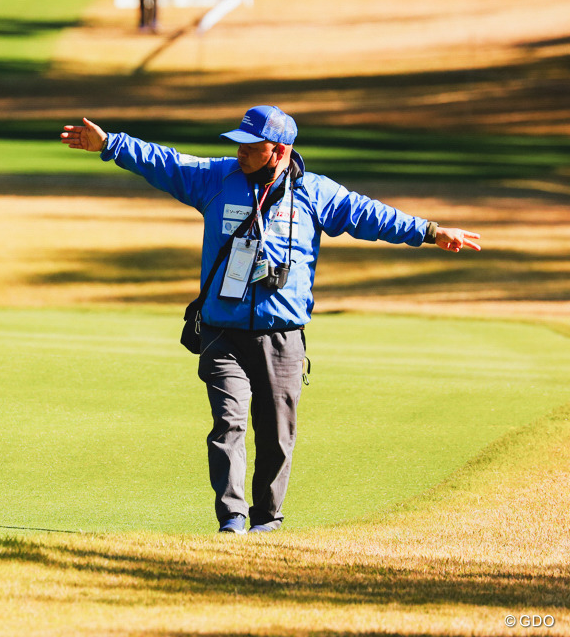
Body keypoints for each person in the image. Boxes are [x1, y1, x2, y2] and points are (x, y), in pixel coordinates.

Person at [59, 107, 480, 535]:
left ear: (278, 151)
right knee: (229, 421)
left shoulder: (316, 194)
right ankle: (232, 519)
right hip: (223, 332)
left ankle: (267, 520)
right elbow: (167, 162)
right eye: (238, 143)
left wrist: (429, 231)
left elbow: (369, 215)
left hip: (282, 336)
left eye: (250, 146)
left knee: (277, 435)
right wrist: (111, 144)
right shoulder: (216, 179)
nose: (239, 152)